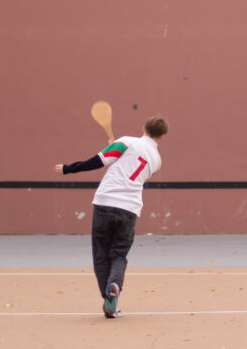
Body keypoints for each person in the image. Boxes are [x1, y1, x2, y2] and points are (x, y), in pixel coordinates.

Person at [55, 115, 168, 318]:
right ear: (162, 136)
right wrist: (117, 150)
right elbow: (135, 169)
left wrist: (68, 169)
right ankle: (113, 287)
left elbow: (98, 161)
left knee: (101, 255)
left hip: (105, 203)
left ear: (143, 127)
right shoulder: (157, 160)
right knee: (118, 255)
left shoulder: (126, 141)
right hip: (130, 209)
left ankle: (108, 298)